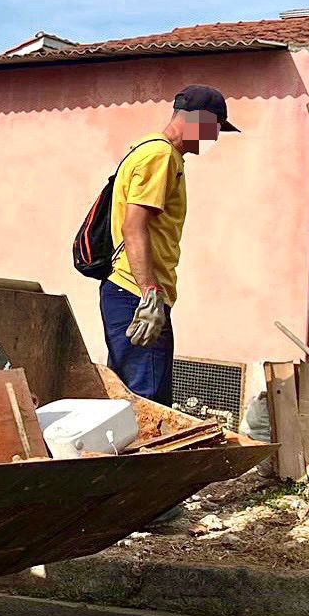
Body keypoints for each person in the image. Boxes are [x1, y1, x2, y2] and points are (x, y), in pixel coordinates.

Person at [100, 84, 238, 404]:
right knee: (146, 405)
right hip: (136, 294)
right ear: (197, 120)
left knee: (128, 403)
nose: (214, 138)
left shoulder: (158, 153)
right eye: (214, 128)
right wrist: (149, 295)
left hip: (133, 292)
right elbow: (134, 227)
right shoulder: (160, 155)